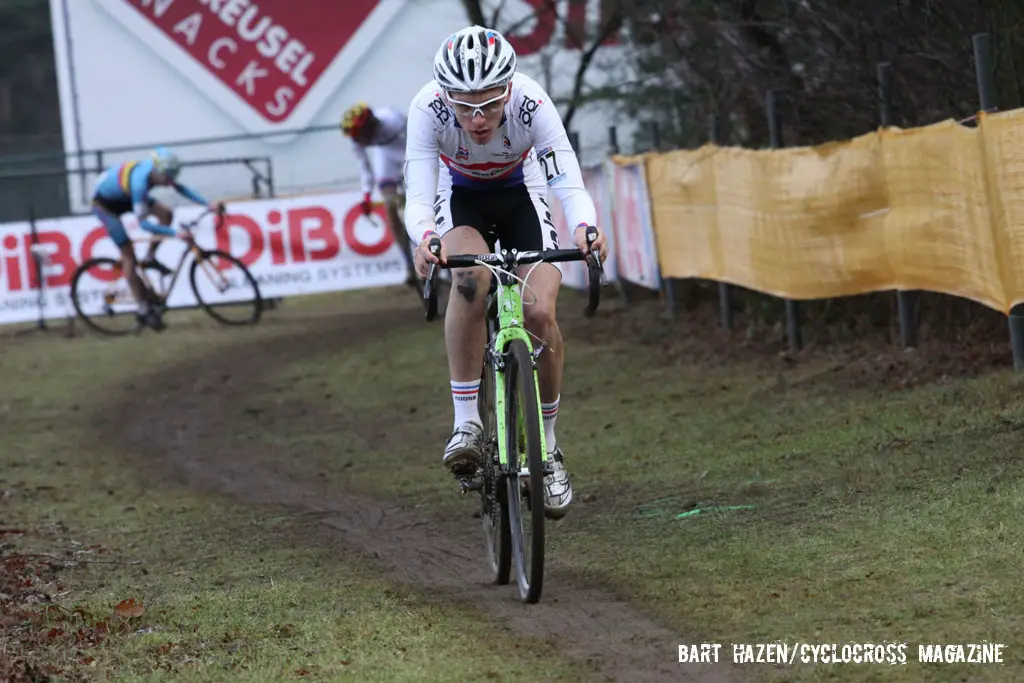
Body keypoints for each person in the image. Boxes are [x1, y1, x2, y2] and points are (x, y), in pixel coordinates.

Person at [403, 25, 609, 520]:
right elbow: (418, 193)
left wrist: (586, 227)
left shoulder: (532, 104)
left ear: (509, 91)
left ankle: (549, 447)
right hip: (461, 197)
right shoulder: (427, 108)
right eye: (465, 105)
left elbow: (568, 182)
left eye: (490, 104)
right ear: (446, 96)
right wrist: (426, 237)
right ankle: (466, 422)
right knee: (470, 281)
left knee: (538, 313)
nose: (477, 118)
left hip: (522, 193)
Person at [91, 147, 222, 331]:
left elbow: (180, 188)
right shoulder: (140, 183)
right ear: (157, 172)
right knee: (128, 254)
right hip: (105, 206)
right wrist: (175, 234)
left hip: (122, 195)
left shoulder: (156, 172)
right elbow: (143, 225)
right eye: (167, 177)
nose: (170, 182)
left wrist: (208, 204)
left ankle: (150, 257)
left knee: (167, 214)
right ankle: (142, 308)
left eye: (172, 177)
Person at [340, 101, 417, 287]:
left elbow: (417, 145)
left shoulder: (393, 120)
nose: (359, 142)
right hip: (386, 155)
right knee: (390, 204)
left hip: (407, 148)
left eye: (360, 137)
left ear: (370, 126)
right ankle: (408, 263)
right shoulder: (356, 138)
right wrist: (366, 194)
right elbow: (365, 167)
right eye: (355, 138)